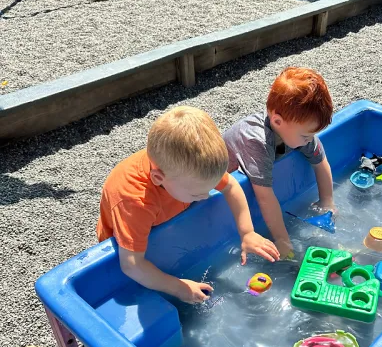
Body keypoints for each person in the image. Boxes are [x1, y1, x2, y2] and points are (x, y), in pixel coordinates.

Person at [97, 106, 279, 304]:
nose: (204, 197)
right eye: (197, 194)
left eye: (208, 190)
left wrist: (247, 233)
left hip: (167, 220)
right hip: (129, 246)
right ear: (158, 178)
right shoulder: (136, 202)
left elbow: (232, 186)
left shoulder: (192, 170)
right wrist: (178, 287)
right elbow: (132, 265)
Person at [223, 67, 335, 259]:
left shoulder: (298, 131)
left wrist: (327, 201)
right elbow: (265, 198)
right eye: (307, 135)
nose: (311, 140)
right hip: (215, 182)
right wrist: (283, 242)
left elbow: (320, 162)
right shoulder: (257, 142)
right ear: (277, 121)